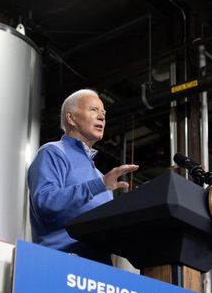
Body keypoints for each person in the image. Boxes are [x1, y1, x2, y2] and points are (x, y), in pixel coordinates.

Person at [27, 89, 138, 263]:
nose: (102, 117)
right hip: (61, 264)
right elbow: (45, 202)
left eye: (103, 113)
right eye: (94, 110)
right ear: (71, 118)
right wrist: (99, 185)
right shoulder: (53, 153)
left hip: (101, 271)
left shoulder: (100, 176)